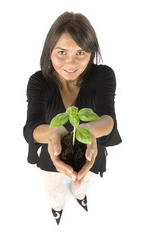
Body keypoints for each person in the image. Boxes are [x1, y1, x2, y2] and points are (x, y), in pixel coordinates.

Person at [23, 11, 122, 225]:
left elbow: (108, 118)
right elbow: (32, 126)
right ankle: (57, 206)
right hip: (53, 150)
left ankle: (79, 194)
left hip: (89, 150)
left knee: (83, 180)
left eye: (80, 53)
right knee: (52, 184)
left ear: (91, 53)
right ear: (49, 51)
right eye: (61, 52)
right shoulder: (38, 81)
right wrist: (53, 132)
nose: (71, 63)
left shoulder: (103, 75)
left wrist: (90, 132)